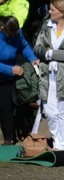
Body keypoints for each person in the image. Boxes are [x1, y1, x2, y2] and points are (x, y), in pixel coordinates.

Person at [33, 0, 64, 150]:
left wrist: (52, 53)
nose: (49, 12)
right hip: (47, 75)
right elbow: (38, 48)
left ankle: (62, 145)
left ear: (61, 11)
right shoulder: (46, 25)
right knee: (50, 111)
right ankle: (56, 139)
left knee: (63, 111)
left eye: (52, 9)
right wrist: (50, 54)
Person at [0, 16, 39, 145]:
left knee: (8, 106)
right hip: (6, 70)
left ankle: (9, 138)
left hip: (9, 77)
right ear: (2, 29)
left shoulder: (17, 33)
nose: (14, 36)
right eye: (11, 34)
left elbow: (24, 46)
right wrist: (10, 69)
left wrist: (32, 58)